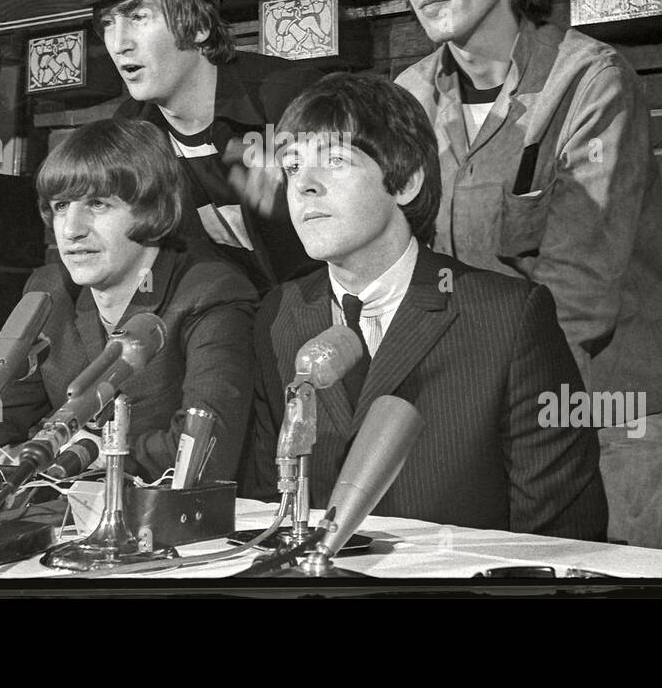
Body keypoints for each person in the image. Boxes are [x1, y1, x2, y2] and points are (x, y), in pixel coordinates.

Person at [382, 0, 662, 550]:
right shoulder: (409, 95)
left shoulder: (591, 80)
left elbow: (579, 289)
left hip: (608, 407)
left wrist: (484, 409)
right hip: (476, 403)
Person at [243, 72, 607, 538]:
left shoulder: (508, 317)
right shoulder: (278, 314)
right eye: (293, 167)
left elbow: (561, 534)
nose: (304, 186)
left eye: (334, 160)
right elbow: (266, 507)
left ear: (406, 182)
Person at [0, 118, 257, 484]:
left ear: (154, 210)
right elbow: (1, 420)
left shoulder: (212, 291)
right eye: (61, 206)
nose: (71, 230)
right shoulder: (49, 290)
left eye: (98, 204)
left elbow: (203, 451)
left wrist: (94, 453)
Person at [79, 0, 320, 295]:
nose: (119, 43)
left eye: (138, 17)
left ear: (198, 27)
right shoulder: (131, 132)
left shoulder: (289, 99)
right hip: (224, 313)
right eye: (108, 23)